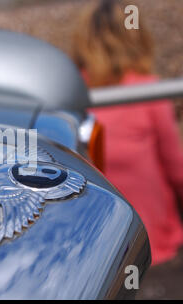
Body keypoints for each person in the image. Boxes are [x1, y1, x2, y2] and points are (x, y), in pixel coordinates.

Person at [72, 0, 183, 265]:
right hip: (153, 241)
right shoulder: (148, 91)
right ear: (136, 38)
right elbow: (175, 167)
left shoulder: (71, 93)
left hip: (96, 250)